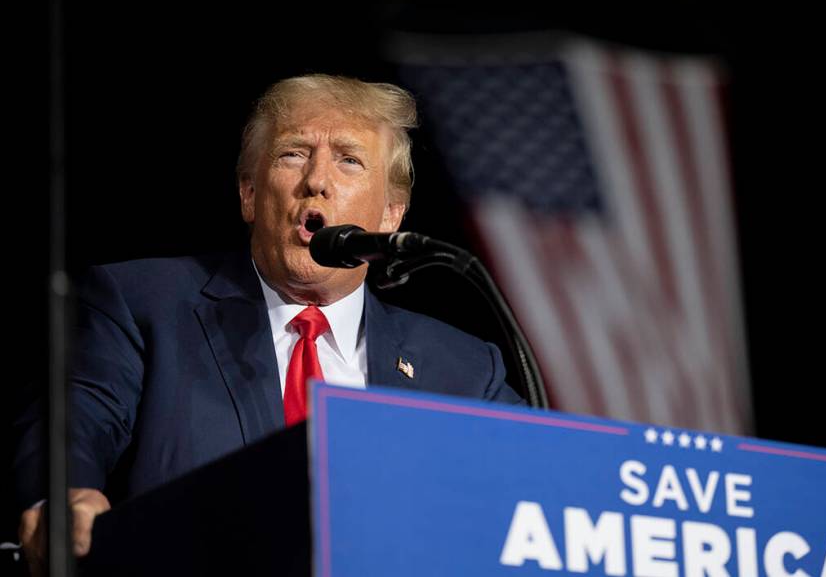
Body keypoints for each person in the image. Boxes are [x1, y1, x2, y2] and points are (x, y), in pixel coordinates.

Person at [14, 74, 524, 573]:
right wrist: (62, 496)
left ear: (391, 214)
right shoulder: (145, 304)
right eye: (293, 154)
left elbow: (545, 484)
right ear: (249, 194)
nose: (317, 181)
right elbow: (74, 420)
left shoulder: (463, 369)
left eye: (349, 160)